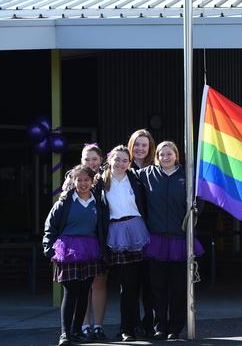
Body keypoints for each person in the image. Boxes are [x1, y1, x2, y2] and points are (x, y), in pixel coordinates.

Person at [136, 141, 204, 340]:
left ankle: (175, 327)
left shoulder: (188, 176)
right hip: (156, 240)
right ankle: (160, 326)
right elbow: (118, 173)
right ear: (156, 156)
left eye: (169, 154)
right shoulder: (146, 174)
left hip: (180, 240)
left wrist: (192, 222)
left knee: (178, 287)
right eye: (161, 154)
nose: (165, 157)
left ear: (176, 155)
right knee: (157, 287)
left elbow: (199, 201)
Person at [43, 165, 106, 346]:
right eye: (79, 180)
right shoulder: (64, 202)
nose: (83, 183)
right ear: (73, 181)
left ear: (92, 181)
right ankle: (65, 333)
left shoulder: (98, 201)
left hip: (91, 249)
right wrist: (48, 248)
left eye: (87, 179)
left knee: (84, 291)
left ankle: (78, 330)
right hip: (68, 250)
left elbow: (102, 227)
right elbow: (50, 225)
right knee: (70, 292)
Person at [100, 145, 150, 341]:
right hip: (117, 233)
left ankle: (137, 325)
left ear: (129, 163)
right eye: (117, 159)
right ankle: (125, 328)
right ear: (110, 159)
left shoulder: (135, 179)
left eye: (124, 160)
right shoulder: (101, 182)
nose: (121, 163)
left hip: (137, 230)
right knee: (124, 284)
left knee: (137, 283)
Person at [61, 144, 109, 341]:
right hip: (76, 242)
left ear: (101, 160)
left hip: (99, 238)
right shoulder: (74, 181)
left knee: (99, 282)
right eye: (87, 159)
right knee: (79, 288)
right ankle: (82, 327)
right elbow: (59, 214)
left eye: (94, 159)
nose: (91, 163)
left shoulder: (107, 178)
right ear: (81, 161)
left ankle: (97, 326)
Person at [127, 129, 156, 337]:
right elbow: (91, 176)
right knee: (130, 284)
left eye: (144, 145)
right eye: (137, 144)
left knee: (150, 282)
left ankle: (149, 323)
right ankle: (132, 324)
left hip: (152, 234)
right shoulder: (120, 168)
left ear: (150, 148)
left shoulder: (156, 170)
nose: (140, 148)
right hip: (127, 236)